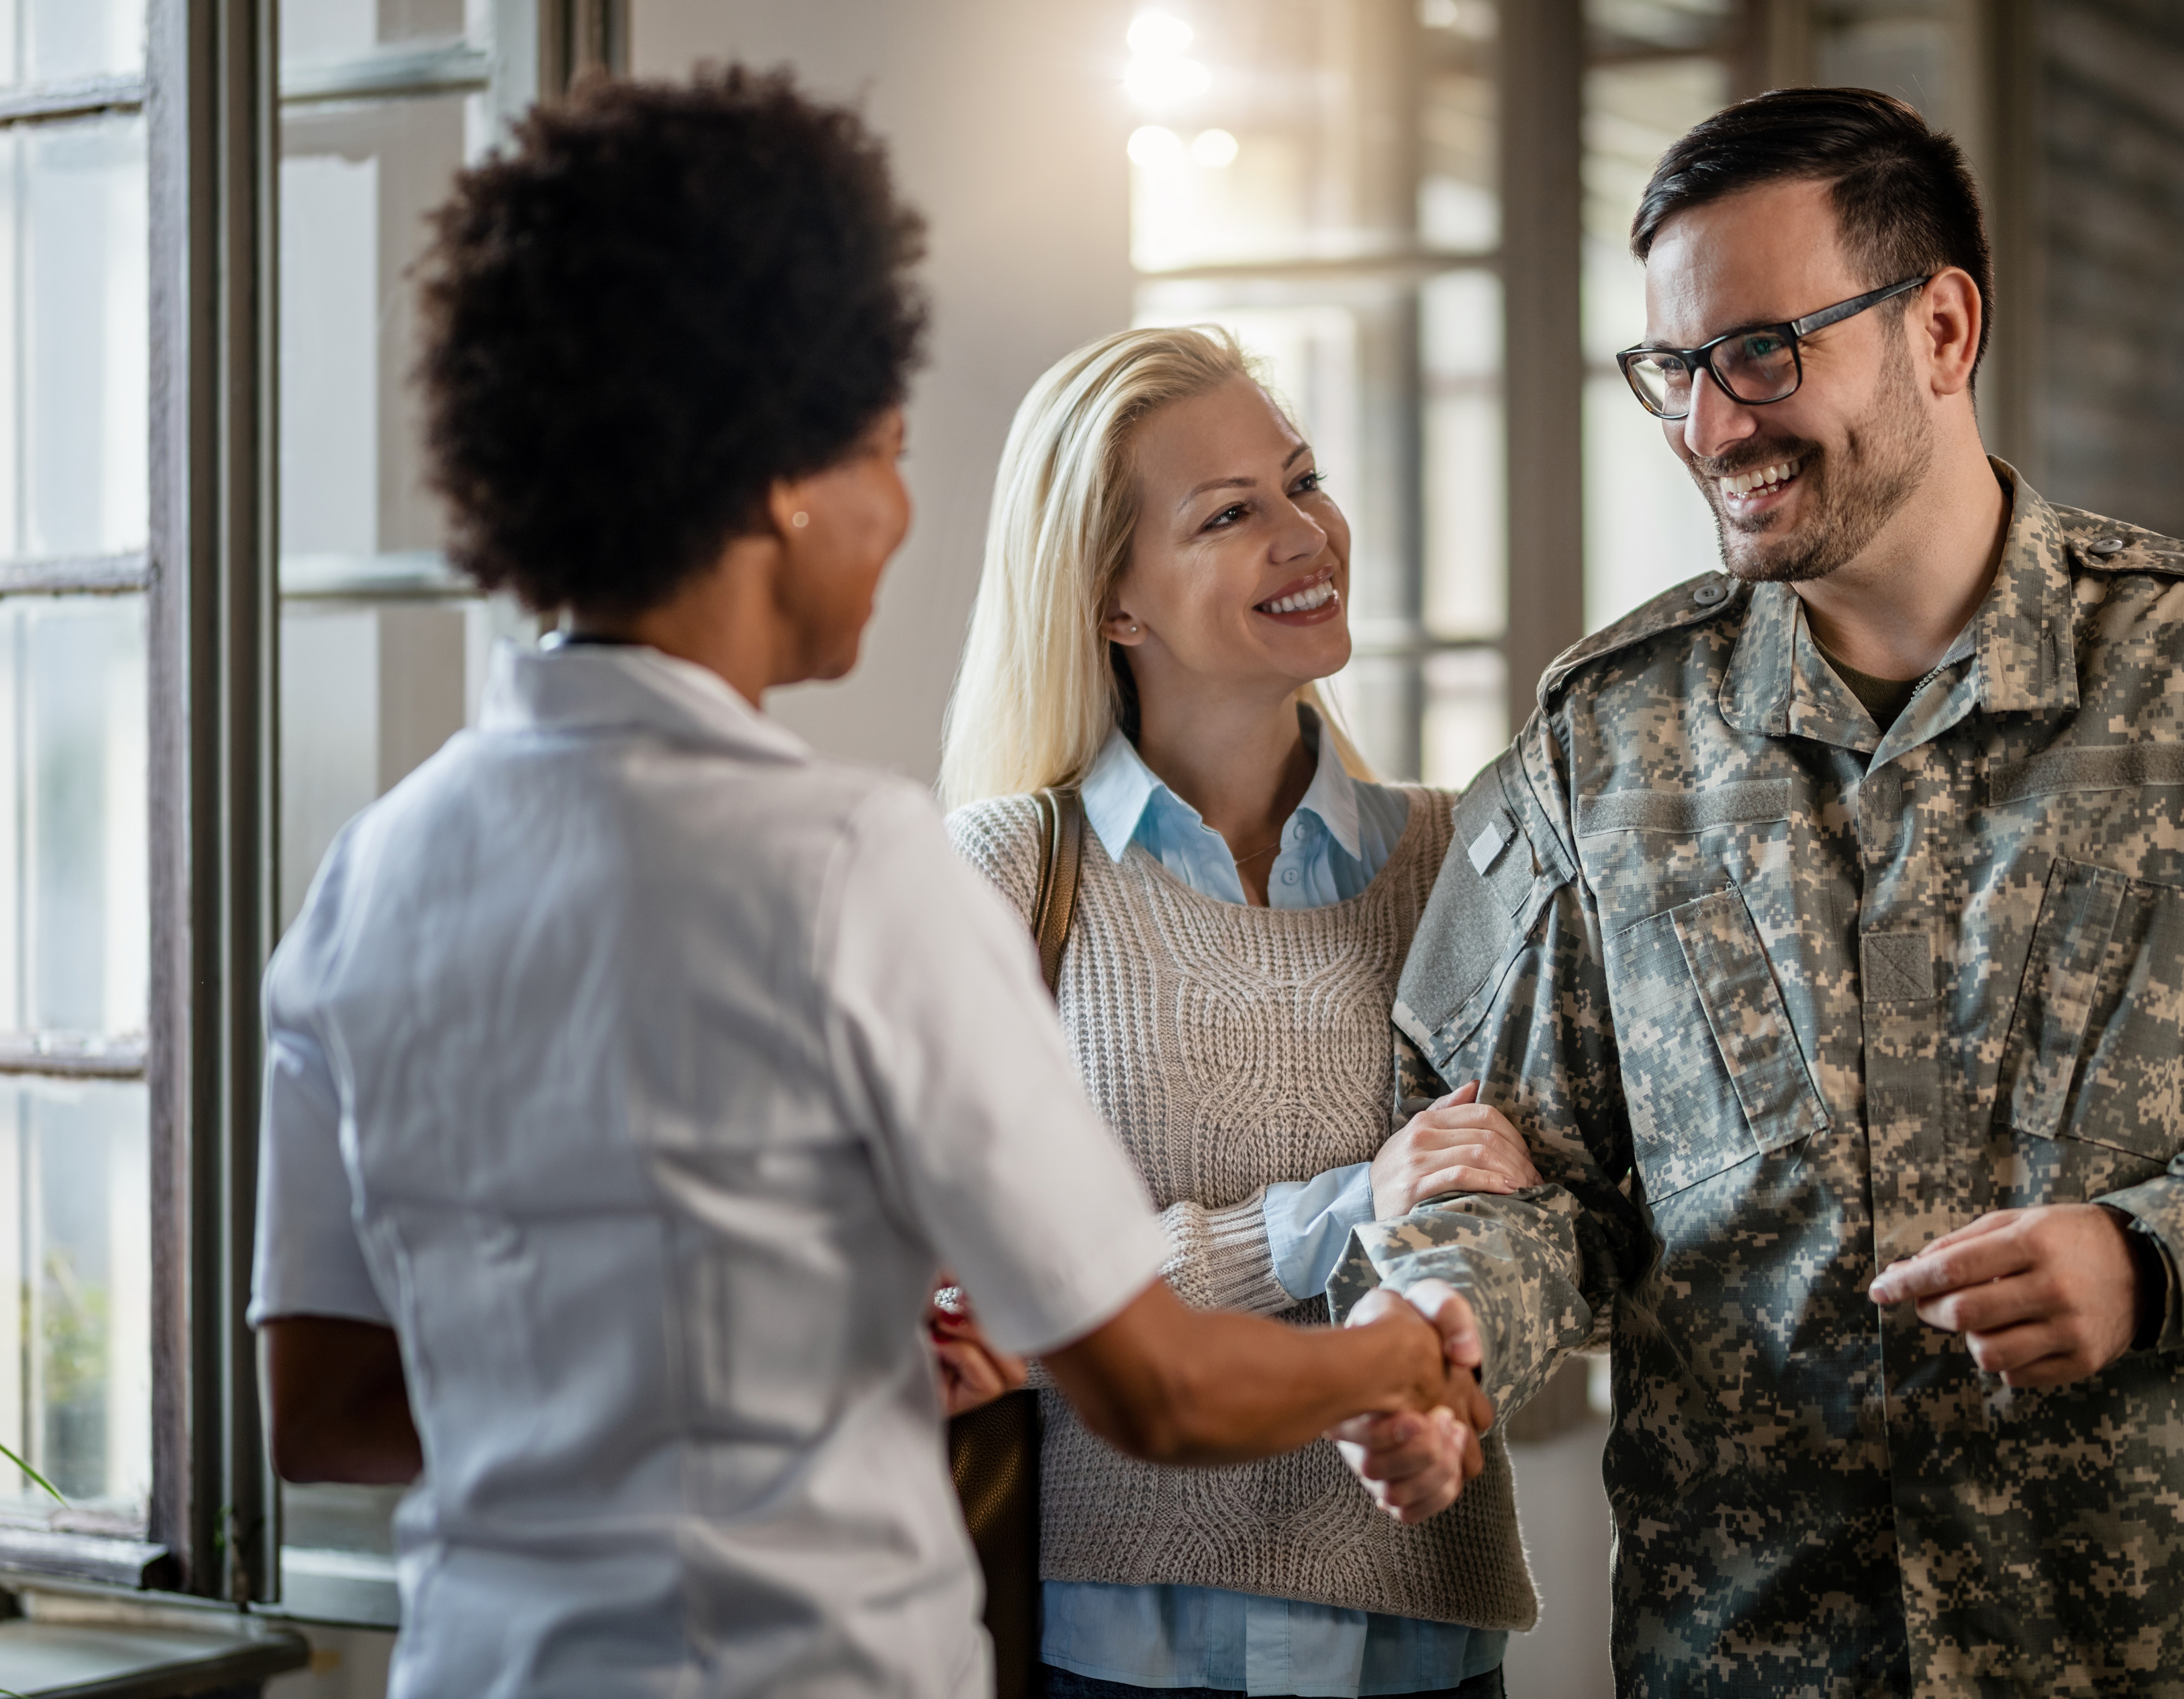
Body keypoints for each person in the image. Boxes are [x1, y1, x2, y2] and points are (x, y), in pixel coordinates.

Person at [246, 72, 1485, 1699]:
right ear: (782, 476)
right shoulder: (855, 866)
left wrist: (753, 1374)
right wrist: (1406, 1355)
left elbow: (328, 1415)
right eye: (886, 454)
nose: (900, 518)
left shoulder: (370, 876)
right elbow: (1156, 1392)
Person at [1332, 85, 2184, 1697]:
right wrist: (1450, 1324)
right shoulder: (1603, 738)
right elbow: (1524, 1164)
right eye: (1674, 371)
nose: (1711, 427)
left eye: (1763, 353)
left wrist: (2161, 1250)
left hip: (2172, 1656)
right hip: (1755, 1658)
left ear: (1943, 328)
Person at [936, 325, 1539, 1699]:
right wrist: (1341, 1207)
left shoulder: (1463, 858)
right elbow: (980, 1298)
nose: (1305, 531)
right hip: (1108, 1652)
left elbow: (1523, 1228)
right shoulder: (1005, 870)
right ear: (1113, 604)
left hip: (1422, 1642)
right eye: (1229, 513)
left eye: (1301, 479)